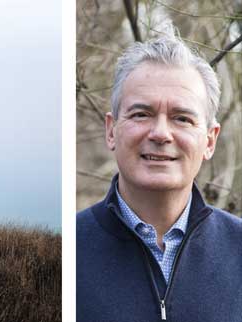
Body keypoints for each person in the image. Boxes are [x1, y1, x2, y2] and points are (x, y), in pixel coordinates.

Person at [77, 33, 242, 322]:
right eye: (141, 114)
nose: (161, 134)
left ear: (210, 140)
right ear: (111, 130)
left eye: (182, 118)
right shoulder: (65, 252)